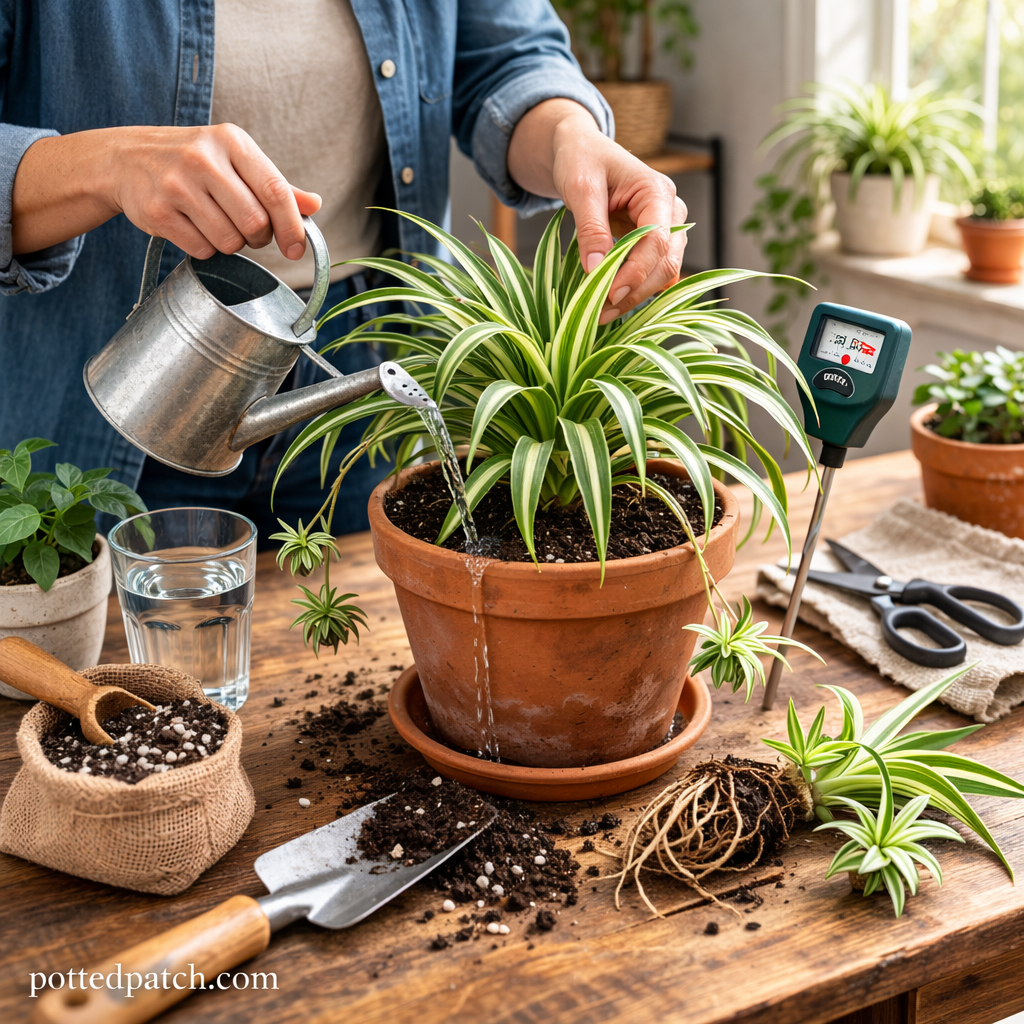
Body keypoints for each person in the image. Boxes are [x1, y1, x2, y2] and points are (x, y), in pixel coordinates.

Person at [1, 0, 687, 546]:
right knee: (119, 675)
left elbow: (508, 57)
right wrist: (106, 165)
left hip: (365, 344)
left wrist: (574, 138)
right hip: (126, 359)